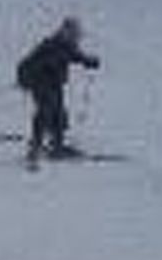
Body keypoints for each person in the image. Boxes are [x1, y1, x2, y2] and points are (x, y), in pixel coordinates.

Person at [15, 17, 101, 166]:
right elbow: (36, 63)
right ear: (66, 32)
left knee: (59, 113)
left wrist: (89, 61)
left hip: (53, 84)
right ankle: (36, 146)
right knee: (45, 112)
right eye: (75, 35)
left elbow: (76, 56)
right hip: (41, 84)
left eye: (77, 35)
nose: (77, 39)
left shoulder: (64, 45)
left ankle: (57, 145)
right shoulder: (53, 45)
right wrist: (43, 70)